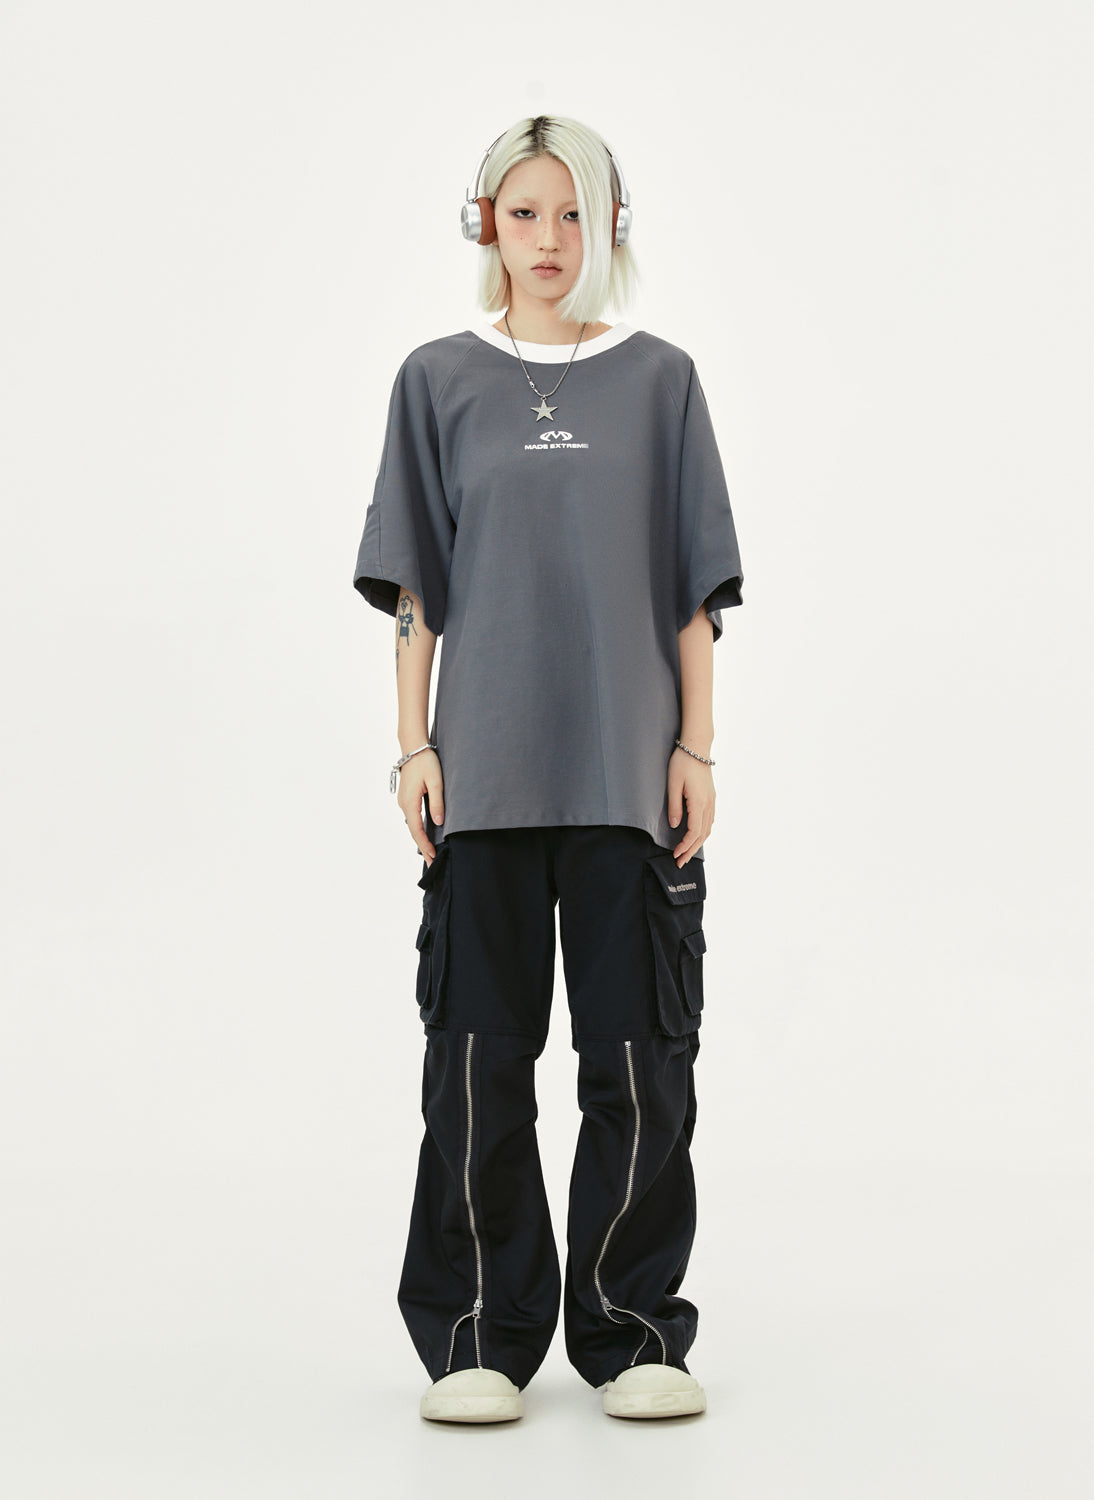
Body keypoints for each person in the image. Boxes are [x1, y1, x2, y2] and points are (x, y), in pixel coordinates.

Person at [352, 115, 745, 1424]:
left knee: (639, 1066)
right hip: (484, 781)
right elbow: (417, 583)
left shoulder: (662, 381)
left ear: (610, 224)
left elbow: (692, 591)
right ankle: (478, 1335)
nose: (550, 240)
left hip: (628, 778)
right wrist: (413, 743)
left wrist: (695, 747)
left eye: (574, 213)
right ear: (487, 224)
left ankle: (631, 1336)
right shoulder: (435, 380)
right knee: (476, 1070)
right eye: (525, 213)